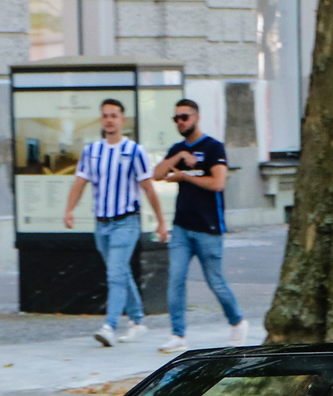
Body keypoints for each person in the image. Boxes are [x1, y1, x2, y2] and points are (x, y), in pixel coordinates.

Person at [64, 98, 167, 346]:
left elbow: (148, 188)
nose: (109, 119)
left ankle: (109, 325)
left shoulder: (134, 151)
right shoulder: (92, 151)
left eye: (114, 115)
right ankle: (138, 320)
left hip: (126, 221)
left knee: (116, 273)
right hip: (102, 223)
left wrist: (161, 222)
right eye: (105, 115)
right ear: (101, 120)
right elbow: (80, 182)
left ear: (122, 120)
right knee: (119, 273)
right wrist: (69, 210)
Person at [150, 99, 250, 351]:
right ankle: (178, 335)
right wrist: (180, 156)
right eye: (176, 118)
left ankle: (237, 322)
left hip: (209, 228)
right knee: (176, 278)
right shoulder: (177, 149)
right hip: (182, 227)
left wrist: (184, 176)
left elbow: (218, 183)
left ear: (196, 117)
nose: (180, 122)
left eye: (185, 117)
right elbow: (157, 174)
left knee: (215, 280)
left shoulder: (214, 148)